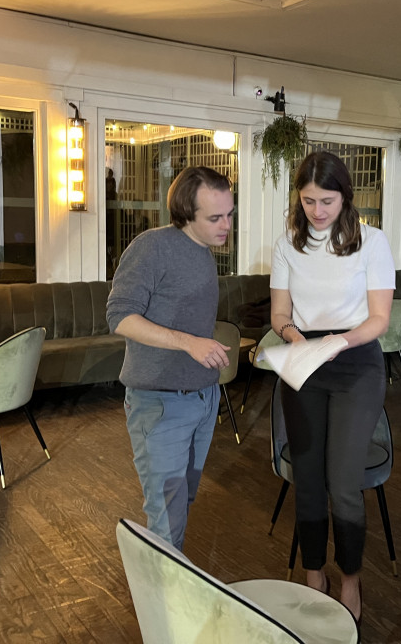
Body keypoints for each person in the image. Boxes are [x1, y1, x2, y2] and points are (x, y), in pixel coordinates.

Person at [270, 151, 395, 623]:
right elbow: (280, 314)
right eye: (308, 201)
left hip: (355, 361)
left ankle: (350, 579)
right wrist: (294, 338)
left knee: (343, 483)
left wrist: (338, 342)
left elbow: (379, 319)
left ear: (345, 197)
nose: (317, 211)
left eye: (327, 201)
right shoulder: (287, 244)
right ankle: (313, 575)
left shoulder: (372, 242)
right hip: (305, 360)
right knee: (307, 477)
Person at [106, 166, 234, 551]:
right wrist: (189, 343)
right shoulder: (152, 247)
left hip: (203, 398)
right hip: (160, 404)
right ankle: (162, 589)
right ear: (186, 214)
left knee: (182, 504)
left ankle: (169, 579)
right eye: (215, 218)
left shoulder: (204, 251)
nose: (226, 226)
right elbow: (119, 316)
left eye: (230, 214)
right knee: (166, 517)